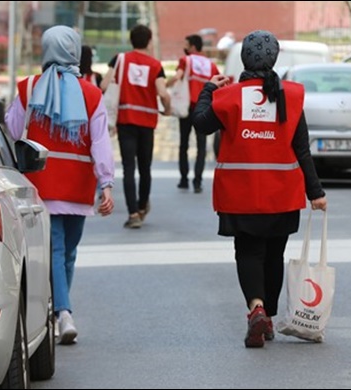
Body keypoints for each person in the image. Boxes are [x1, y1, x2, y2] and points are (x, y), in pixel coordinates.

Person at [192, 30, 327, 349]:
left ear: (243, 59)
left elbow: (200, 123)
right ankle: (267, 314)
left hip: (239, 194)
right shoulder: (290, 97)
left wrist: (209, 89)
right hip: (281, 193)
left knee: (248, 252)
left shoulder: (229, 96)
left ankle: (257, 308)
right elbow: (302, 149)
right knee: (274, 254)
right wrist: (316, 192)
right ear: (275, 59)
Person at [4, 25, 115, 345]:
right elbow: (100, 143)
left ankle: (57, 311)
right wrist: (105, 184)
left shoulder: (29, 88)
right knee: (66, 252)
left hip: (40, 184)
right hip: (78, 187)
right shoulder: (91, 94)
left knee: (56, 251)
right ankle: (62, 311)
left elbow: (12, 130)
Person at [102, 24, 171, 229]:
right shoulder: (155, 65)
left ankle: (132, 214)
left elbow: (105, 86)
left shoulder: (120, 59)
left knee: (129, 168)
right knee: (145, 167)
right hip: (147, 122)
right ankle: (142, 207)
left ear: (131, 40)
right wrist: (167, 108)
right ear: (149, 41)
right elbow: (163, 93)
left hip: (125, 120)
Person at [166, 34, 220, 193]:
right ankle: (197, 181)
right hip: (203, 108)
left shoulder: (186, 60)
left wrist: (164, 85)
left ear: (193, 47)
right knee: (201, 146)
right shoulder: (210, 65)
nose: (185, 48)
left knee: (184, 144)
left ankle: (184, 179)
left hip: (187, 107)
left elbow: (178, 76)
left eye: (187, 45)